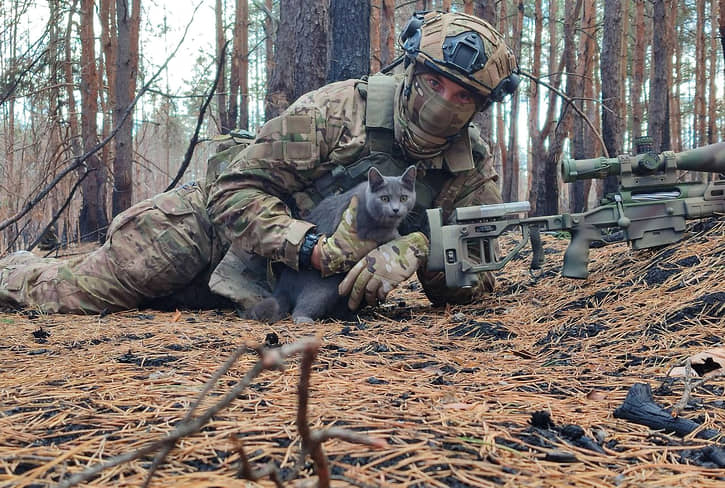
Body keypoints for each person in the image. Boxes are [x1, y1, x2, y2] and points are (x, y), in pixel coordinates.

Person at [0, 11, 519, 315]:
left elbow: (474, 286)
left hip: (264, 292)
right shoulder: (335, 111)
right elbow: (233, 190)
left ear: (480, 107)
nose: (442, 103)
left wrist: (424, 250)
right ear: (411, 72)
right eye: (433, 82)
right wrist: (312, 247)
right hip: (204, 232)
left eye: (463, 96)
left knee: (159, 308)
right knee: (72, 295)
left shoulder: (470, 173)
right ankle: (12, 270)